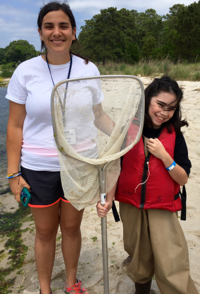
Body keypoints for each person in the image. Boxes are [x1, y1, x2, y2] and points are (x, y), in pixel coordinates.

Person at [5, 1, 108, 294]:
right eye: (49, 26)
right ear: (40, 32)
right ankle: (44, 288)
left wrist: (128, 133)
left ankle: (71, 282)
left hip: (79, 164)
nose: (57, 32)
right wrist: (13, 175)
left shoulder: (89, 68)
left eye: (63, 26)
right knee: (46, 231)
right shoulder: (25, 71)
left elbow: (98, 115)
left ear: (74, 32)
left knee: (73, 229)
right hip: (38, 168)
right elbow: (14, 127)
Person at [97, 76, 198, 294]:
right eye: (160, 104)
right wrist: (108, 199)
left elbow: (183, 178)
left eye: (171, 108)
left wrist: (164, 157)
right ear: (147, 100)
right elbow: (116, 167)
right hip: (131, 205)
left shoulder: (174, 137)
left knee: (171, 258)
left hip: (162, 207)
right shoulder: (128, 131)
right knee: (138, 257)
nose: (164, 112)